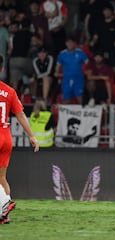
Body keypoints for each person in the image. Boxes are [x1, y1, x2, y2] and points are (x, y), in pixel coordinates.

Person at [0, 55, 40, 224]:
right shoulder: (9, 91)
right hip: (6, 137)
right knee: (1, 178)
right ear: (2, 69)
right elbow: (21, 114)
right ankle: (4, 215)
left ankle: (5, 203)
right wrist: (31, 136)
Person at [54, 36, 89, 104]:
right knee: (66, 98)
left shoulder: (80, 52)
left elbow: (88, 63)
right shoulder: (62, 54)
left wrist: (86, 71)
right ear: (66, 43)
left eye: (71, 42)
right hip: (67, 79)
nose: (69, 44)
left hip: (78, 79)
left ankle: (80, 112)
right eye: (68, 42)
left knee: (79, 97)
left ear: (74, 43)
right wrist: (57, 73)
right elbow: (57, 66)